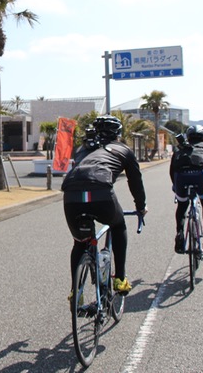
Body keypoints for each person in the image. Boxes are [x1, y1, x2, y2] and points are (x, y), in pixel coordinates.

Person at [62, 116, 148, 295]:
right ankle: (120, 279)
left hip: (71, 194)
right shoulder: (123, 150)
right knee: (118, 225)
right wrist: (141, 206)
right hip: (100, 192)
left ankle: (75, 294)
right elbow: (135, 182)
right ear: (118, 133)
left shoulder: (82, 149)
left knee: (80, 243)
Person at [170, 125, 203, 254]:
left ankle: (180, 234)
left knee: (182, 206)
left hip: (180, 177)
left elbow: (172, 169)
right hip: (199, 176)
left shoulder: (179, 148)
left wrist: (175, 185)